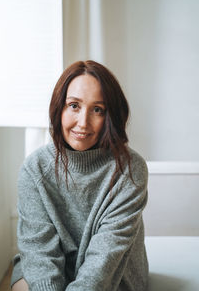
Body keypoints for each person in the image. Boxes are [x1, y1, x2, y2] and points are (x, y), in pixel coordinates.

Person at [11, 60, 149, 291]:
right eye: (74, 105)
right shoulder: (34, 169)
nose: (83, 123)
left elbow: (106, 255)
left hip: (113, 272)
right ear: (59, 108)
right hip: (46, 266)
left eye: (97, 109)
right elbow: (39, 251)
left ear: (110, 115)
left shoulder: (131, 169)